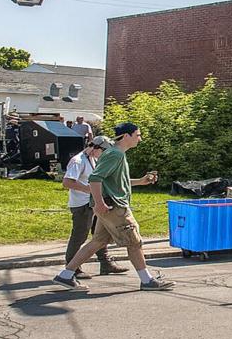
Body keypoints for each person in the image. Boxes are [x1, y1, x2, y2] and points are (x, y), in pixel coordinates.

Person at [52, 123, 166, 290]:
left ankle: (66, 275)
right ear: (126, 136)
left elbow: (114, 181)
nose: (140, 139)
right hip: (115, 207)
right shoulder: (115, 155)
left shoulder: (115, 154)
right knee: (134, 242)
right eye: (138, 135)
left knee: (98, 241)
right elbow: (95, 179)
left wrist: (141, 181)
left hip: (109, 205)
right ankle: (147, 281)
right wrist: (99, 204)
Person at [60, 137, 129, 279]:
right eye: (103, 151)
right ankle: (73, 268)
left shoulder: (95, 159)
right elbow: (67, 182)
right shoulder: (78, 161)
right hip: (82, 205)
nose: (105, 154)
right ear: (95, 147)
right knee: (79, 236)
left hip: (94, 203)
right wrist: (88, 189)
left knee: (100, 236)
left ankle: (105, 264)